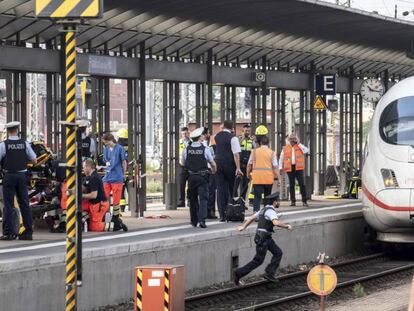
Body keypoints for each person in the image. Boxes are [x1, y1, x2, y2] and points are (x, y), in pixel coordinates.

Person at [234, 192, 293, 285]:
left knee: (278, 253)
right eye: (278, 201)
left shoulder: (263, 209)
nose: (279, 203)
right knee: (258, 261)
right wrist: (287, 226)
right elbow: (276, 223)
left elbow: (251, 218)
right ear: (275, 202)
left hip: (266, 238)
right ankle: (238, 273)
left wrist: (244, 226)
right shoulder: (270, 211)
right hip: (263, 239)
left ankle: (270, 273)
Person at [0, 121, 37, 240]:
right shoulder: (24, 143)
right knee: (24, 204)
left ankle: (8, 233)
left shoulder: (3, 145)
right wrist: (23, 162)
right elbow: (34, 160)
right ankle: (28, 232)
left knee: (9, 205)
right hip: (22, 176)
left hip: (9, 176)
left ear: (8, 131)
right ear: (17, 130)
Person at [182, 127, 217, 228]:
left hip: (191, 177)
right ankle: (202, 220)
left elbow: (183, 162)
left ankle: (194, 221)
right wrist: (214, 171)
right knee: (203, 199)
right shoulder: (205, 149)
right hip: (202, 177)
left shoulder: (186, 149)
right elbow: (212, 163)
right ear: (199, 137)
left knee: (192, 199)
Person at [82, 159, 123, 231]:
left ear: (88, 167)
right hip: (95, 203)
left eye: (84, 167)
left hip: (99, 205)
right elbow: (84, 186)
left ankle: (116, 225)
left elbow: (93, 195)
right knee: (91, 225)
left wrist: (80, 195)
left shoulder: (94, 178)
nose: (83, 169)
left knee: (95, 227)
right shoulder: (91, 177)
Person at [215, 120, 242, 222]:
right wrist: (238, 168)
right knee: (232, 189)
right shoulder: (233, 138)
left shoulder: (216, 136)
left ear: (223, 126)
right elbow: (236, 154)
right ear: (231, 128)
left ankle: (222, 215)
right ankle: (232, 212)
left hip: (218, 164)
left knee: (220, 190)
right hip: (229, 165)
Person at [102, 133, 128, 231]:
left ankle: (116, 218)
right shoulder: (106, 149)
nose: (106, 145)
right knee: (104, 198)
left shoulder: (120, 148)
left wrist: (123, 174)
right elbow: (105, 160)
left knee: (116, 200)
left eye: (106, 142)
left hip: (117, 176)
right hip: (107, 176)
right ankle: (105, 215)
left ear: (110, 140)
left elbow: (123, 162)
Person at [247, 135, 279, 213]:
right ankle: (266, 213)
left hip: (257, 178)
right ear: (268, 143)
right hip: (268, 179)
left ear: (260, 142)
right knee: (267, 197)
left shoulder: (254, 152)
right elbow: (275, 166)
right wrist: (277, 177)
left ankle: (256, 213)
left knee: (257, 197)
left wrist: (248, 174)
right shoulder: (272, 153)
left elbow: (249, 165)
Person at [279, 133, 309, 206]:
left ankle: (304, 201)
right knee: (291, 184)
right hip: (290, 168)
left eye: (294, 138)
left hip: (298, 168)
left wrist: (299, 143)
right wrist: (280, 167)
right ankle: (293, 201)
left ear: (296, 139)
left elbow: (306, 150)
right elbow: (281, 158)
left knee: (302, 184)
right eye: (291, 138)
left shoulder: (299, 146)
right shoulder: (285, 148)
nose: (292, 140)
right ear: (288, 139)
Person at [203, 127, 218, 219]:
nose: (209, 135)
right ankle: (210, 211)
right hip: (210, 170)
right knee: (211, 191)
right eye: (208, 133)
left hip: (202, 171)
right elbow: (213, 159)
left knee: (204, 192)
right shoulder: (209, 146)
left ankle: (205, 212)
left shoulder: (195, 145)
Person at [239, 124, 255, 199]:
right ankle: (236, 200)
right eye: (246, 131)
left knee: (245, 184)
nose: (247, 132)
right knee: (238, 183)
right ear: (242, 131)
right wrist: (242, 139)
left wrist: (252, 141)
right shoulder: (239, 139)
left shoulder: (251, 141)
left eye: (248, 131)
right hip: (240, 165)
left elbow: (254, 150)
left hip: (248, 165)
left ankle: (242, 201)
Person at [178, 127, 191, 207]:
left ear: (188, 133)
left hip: (190, 165)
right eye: (183, 134)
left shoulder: (192, 142)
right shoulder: (179, 143)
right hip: (182, 165)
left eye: (186, 133)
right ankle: (181, 201)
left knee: (190, 185)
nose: (184, 135)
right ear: (181, 134)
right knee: (181, 184)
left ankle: (189, 200)